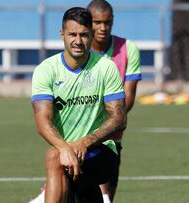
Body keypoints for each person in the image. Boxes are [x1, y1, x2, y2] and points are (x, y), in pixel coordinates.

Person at [31, 7, 127, 203]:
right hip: (65, 152)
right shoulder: (46, 70)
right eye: (72, 34)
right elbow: (42, 120)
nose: (78, 40)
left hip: (101, 151)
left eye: (83, 35)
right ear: (62, 34)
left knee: (53, 157)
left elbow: (119, 119)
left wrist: (84, 142)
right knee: (79, 189)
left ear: (91, 35)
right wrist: (66, 148)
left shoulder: (105, 67)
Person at [87, 1, 142, 202]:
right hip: (80, 137)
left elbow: (128, 98)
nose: (103, 28)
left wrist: (107, 126)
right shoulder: (79, 50)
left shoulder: (128, 49)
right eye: (97, 22)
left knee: (107, 196)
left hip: (113, 136)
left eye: (107, 22)